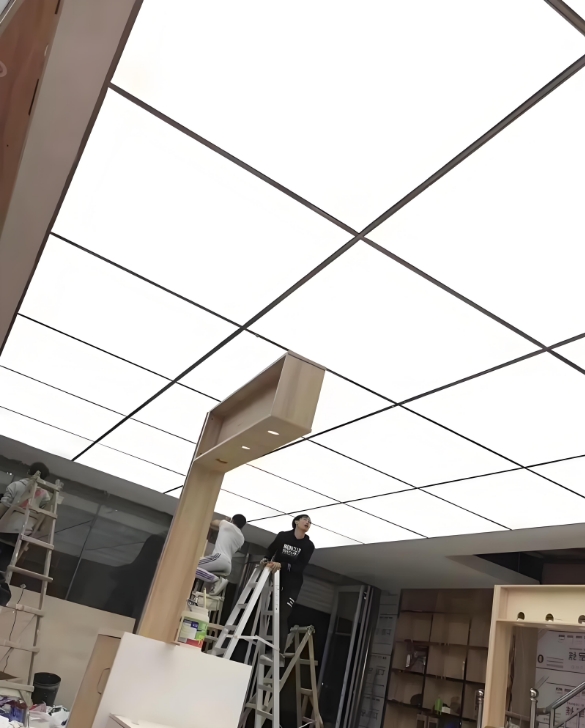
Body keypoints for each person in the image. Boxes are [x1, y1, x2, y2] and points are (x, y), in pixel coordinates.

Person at [264, 514, 314, 658]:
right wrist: (266, 560)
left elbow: (300, 567)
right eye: (305, 519)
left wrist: (282, 565)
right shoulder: (283, 536)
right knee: (270, 611)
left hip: (293, 584)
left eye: (310, 522)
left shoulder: (308, 545)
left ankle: (278, 652)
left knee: (282, 614)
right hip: (277, 580)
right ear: (296, 521)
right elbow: (271, 550)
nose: (308, 522)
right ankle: (265, 646)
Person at [0, 462, 52, 575]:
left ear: (28, 471)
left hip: (5, 527)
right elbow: (43, 518)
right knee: (7, 559)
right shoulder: (45, 495)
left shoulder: (16, 485)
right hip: (25, 532)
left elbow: (3, 506)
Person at [195, 514, 246, 595]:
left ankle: (215, 580)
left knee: (191, 567)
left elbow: (213, 523)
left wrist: (225, 520)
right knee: (200, 574)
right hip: (228, 566)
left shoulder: (226, 524)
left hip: (219, 558)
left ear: (233, 520)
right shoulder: (242, 538)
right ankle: (210, 589)